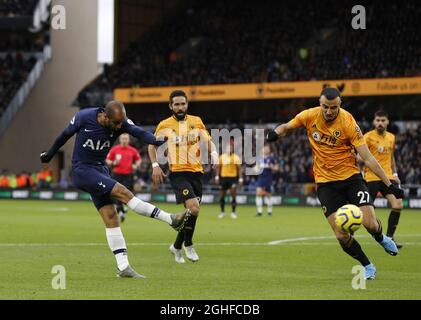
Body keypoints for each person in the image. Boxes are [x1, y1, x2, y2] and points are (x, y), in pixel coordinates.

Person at [266, 87, 404, 280]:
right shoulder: (309, 116)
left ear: (340, 104)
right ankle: (367, 265)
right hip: (325, 184)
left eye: (333, 107)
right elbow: (286, 127)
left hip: (351, 179)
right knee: (341, 235)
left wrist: (389, 184)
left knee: (370, 223)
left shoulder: (348, 122)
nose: (329, 111)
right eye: (325, 107)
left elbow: (368, 158)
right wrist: (274, 133)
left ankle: (382, 238)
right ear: (319, 103)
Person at [40, 101, 188, 279]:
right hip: (82, 170)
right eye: (116, 123)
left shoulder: (121, 121)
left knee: (111, 216)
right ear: (104, 116)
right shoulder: (83, 117)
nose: (119, 127)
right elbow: (64, 135)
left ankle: (123, 267)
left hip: (100, 170)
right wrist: (49, 154)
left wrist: (158, 140)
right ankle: (170, 219)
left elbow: (139, 133)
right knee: (124, 193)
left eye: (121, 123)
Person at [148, 90, 218, 264]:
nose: (180, 107)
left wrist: (214, 152)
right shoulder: (164, 125)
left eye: (183, 104)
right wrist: (155, 165)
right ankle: (188, 244)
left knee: (191, 212)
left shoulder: (196, 121)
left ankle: (176, 246)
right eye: (176, 104)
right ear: (171, 106)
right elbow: (152, 146)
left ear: (187, 104)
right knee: (194, 208)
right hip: (178, 173)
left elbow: (207, 139)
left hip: (197, 172)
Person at [360, 110, 404, 248]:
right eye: (378, 120)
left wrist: (395, 175)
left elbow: (391, 157)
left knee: (398, 205)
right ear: (374, 121)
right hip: (371, 177)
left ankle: (390, 238)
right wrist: (360, 170)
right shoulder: (367, 137)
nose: (380, 123)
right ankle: (354, 233)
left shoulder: (391, 137)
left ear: (387, 121)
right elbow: (358, 156)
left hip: (388, 178)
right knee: (365, 211)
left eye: (383, 120)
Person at [106, 133, 141, 222]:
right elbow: (108, 160)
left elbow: (138, 160)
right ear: (120, 140)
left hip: (128, 175)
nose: (124, 140)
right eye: (123, 139)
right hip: (116, 175)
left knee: (124, 194)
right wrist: (113, 163)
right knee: (115, 193)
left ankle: (120, 208)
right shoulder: (115, 149)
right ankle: (122, 209)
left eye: (126, 139)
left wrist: (136, 166)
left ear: (128, 140)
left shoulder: (132, 150)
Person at [216, 142, 243, 219]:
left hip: (232, 178)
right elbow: (218, 167)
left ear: (232, 149)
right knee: (222, 196)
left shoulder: (236, 157)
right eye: (227, 148)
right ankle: (222, 212)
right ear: (225, 149)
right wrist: (217, 177)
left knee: (233, 195)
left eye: (230, 148)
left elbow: (239, 169)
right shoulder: (222, 157)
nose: (229, 149)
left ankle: (233, 212)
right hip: (223, 178)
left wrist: (240, 178)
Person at [255, 145, 278, 216]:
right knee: (258, 193)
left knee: (268, 195)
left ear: (269, 150)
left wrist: (272, 167)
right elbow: (256, 168)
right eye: (264, 148)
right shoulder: (259, 159)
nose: (265, 150)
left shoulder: (272, 158)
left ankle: (269, 211)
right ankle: (259, 211)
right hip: (261, 178)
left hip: (268, 178)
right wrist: (257, 169)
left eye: (267, 149)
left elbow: (277, 168)